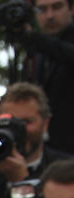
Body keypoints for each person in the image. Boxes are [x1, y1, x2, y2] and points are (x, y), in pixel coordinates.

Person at [20, 0, 74, 154]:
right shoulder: (37, 52)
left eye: (57, 7)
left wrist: (33, 37)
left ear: (71, 9)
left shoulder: (41, 43)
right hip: (46, 151)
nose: (50, 16)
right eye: (42, 10)